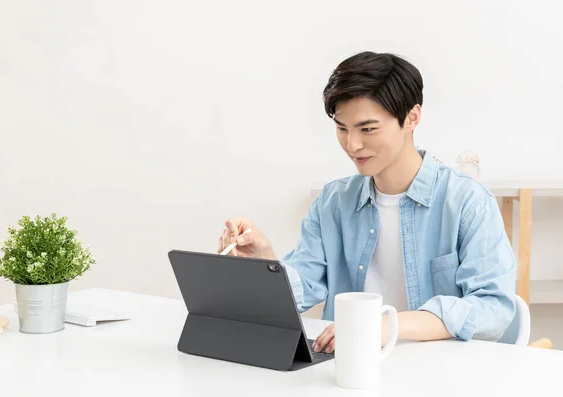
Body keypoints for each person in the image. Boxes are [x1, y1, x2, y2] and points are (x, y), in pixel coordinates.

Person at [217, 51, 516, 353]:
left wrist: (387, 325)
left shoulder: (467, 202)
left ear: (411, 118)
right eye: (342, 128)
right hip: (346, 367)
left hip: (435, 371)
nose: (352, 145)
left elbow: (494, 309)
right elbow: (305, 282)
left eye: (367, 129)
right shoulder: (334, 202)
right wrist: (264, 264)